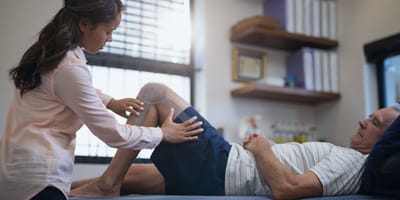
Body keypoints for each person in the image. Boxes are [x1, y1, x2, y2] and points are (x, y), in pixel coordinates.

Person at [0, 1, 203, 200]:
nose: (111, 39)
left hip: (15, 172)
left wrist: (110, 101)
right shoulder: (69, 67)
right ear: (85, 25)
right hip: (40, 179)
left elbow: (69, 89)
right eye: (108, 31)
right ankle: (106, 185)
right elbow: (112, 133)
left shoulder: (54, 54)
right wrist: (163, 133)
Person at [70, 83, 400, 199]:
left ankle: (107, 185)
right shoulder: (348, 156)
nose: (362, 120)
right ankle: (59, 191)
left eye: (374, 122)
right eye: (369, 115)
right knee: (131, 178)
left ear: (388, 139)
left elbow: (289, 189)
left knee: (155, 94)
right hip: (218, 174)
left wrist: (259, 149)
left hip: (223, 166)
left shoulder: (354, 160)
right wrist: (269, 149)